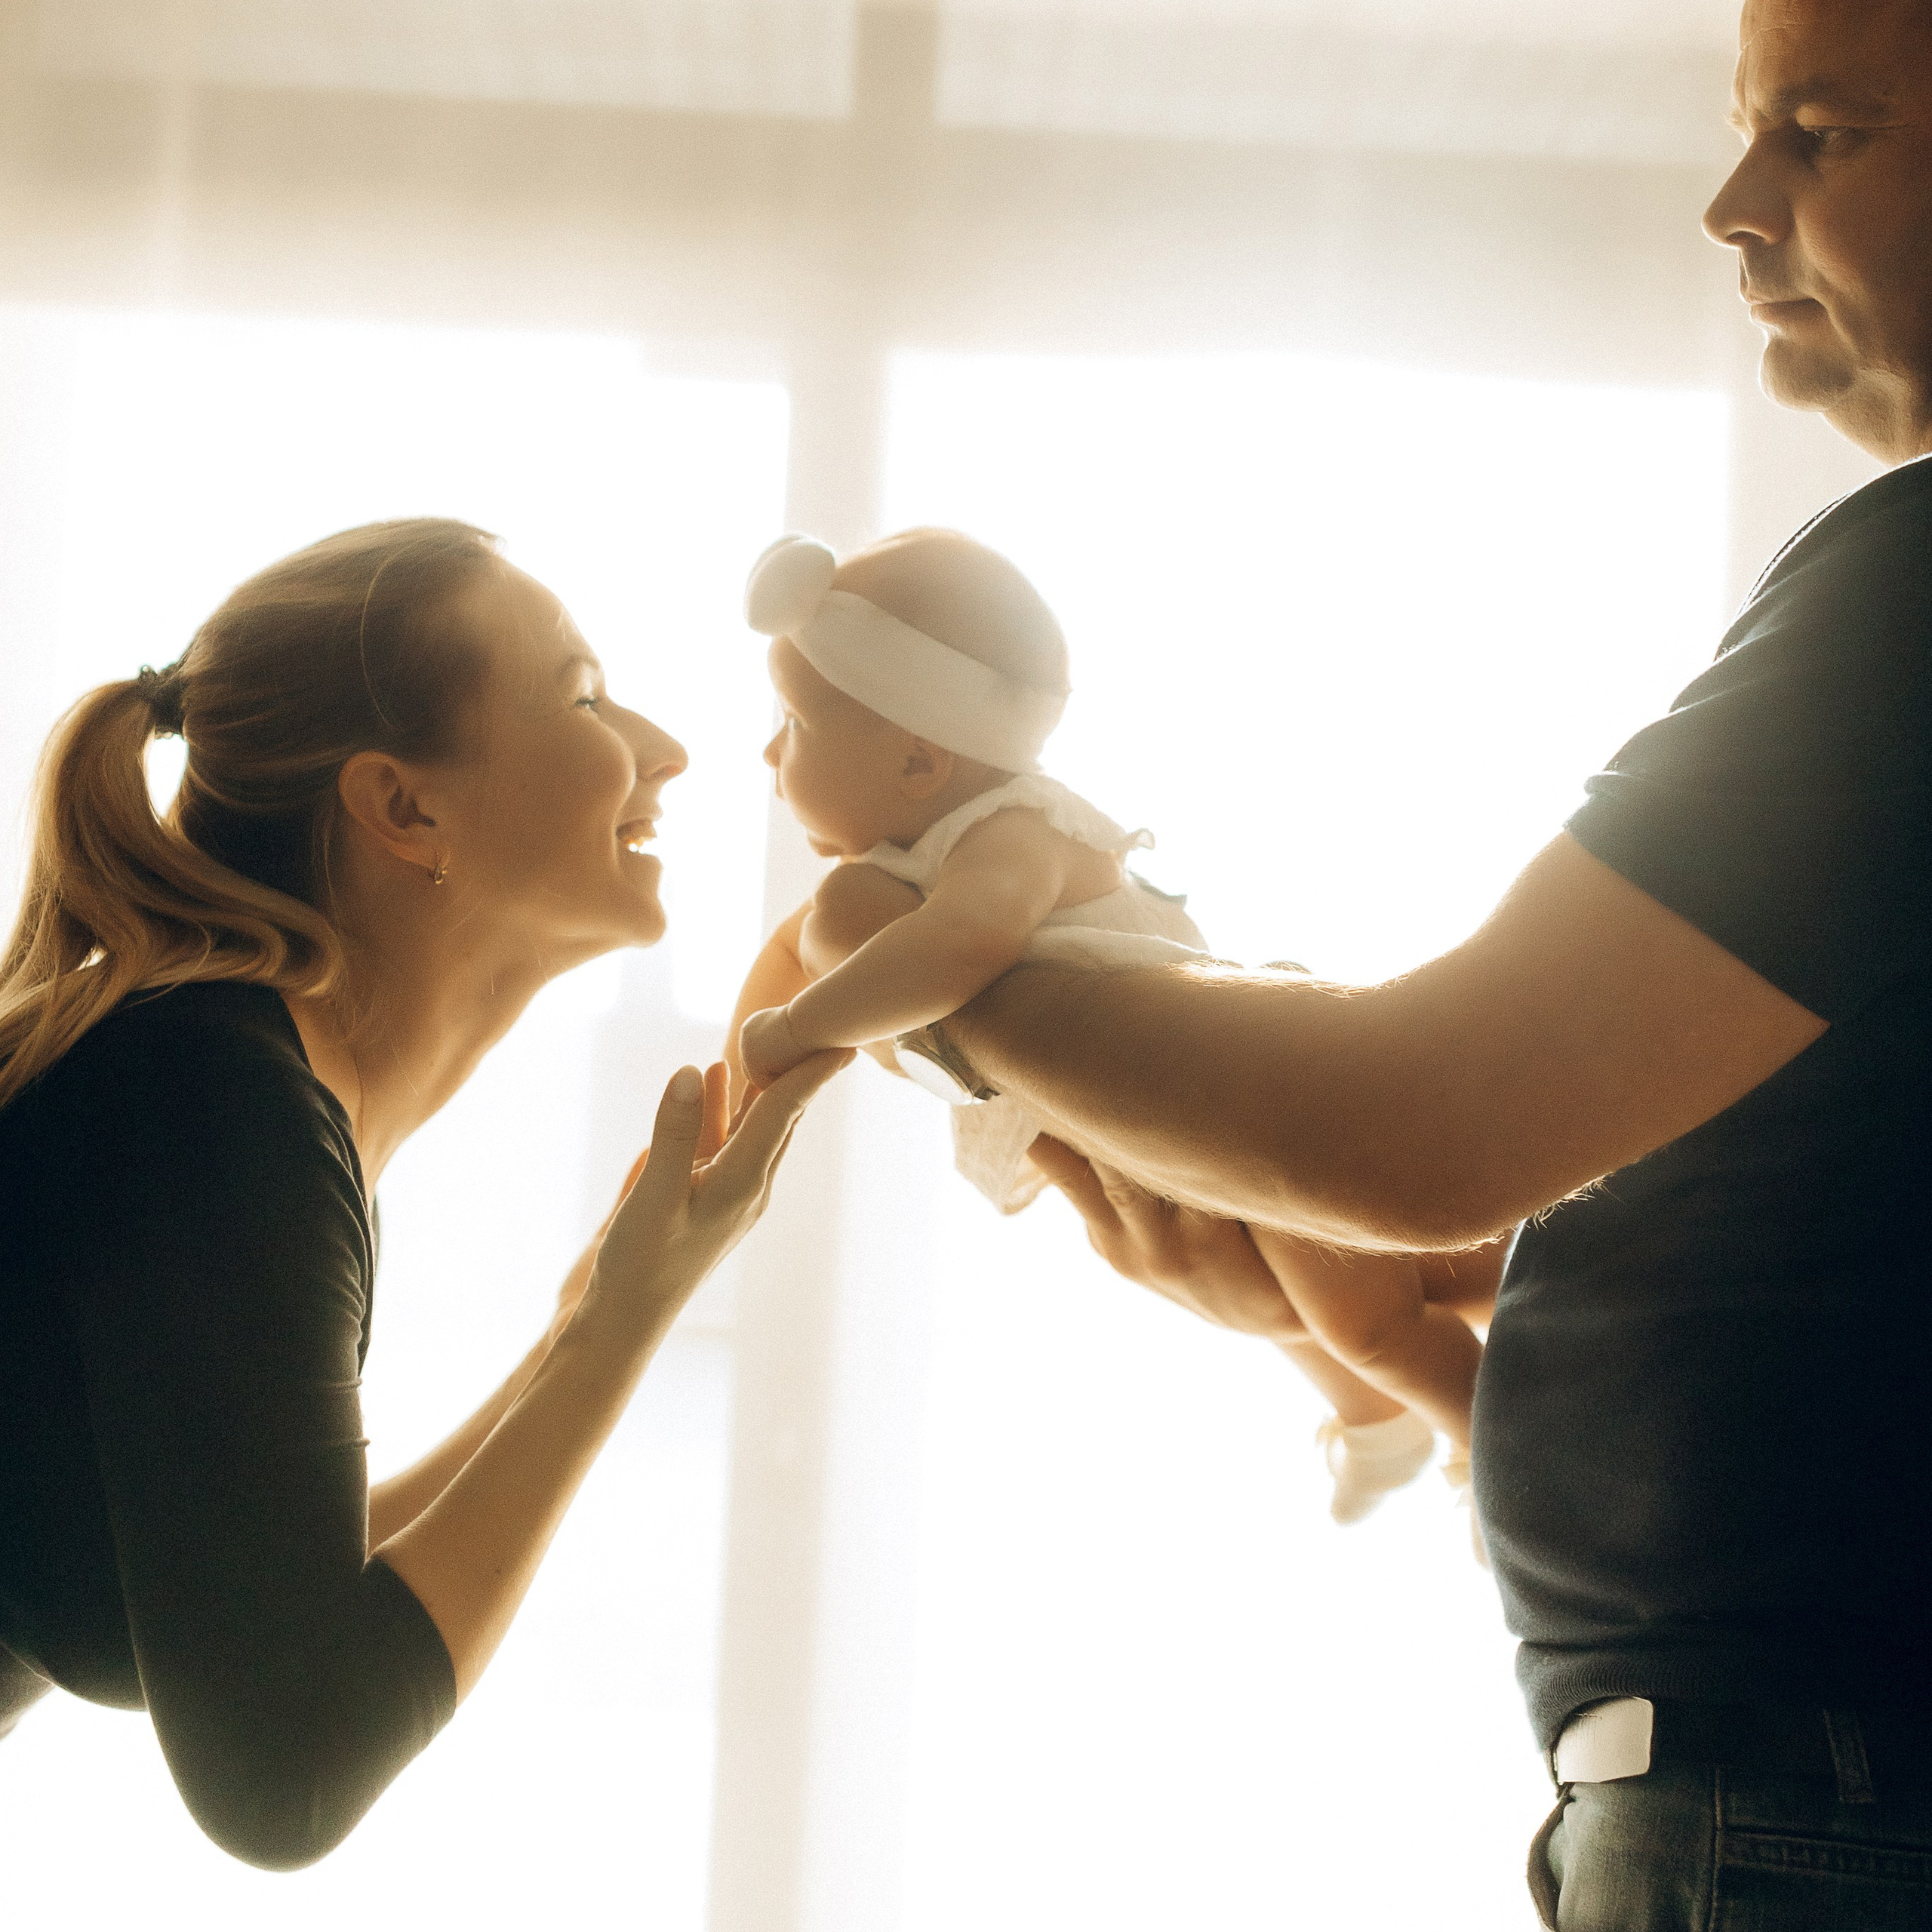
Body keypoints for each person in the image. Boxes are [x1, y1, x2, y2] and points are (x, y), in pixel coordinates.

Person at [804, 2, 1932, 1924]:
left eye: (1818, 132)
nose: (1729, 203)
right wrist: (1424, 1335)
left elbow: (1416, 1121)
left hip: (1802, 1804)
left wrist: (952, 977)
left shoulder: (1908, 599)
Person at [0, 518, 848, 1869]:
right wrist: (620, 1338)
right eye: (582, 694)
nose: (668, 750)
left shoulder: (223, 1084)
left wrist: (584, 1329)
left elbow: (277, 1600)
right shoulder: (211, 1109)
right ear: (404, 807)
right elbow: (287, 1770)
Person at [728, 526, 1484, 1527]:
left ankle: (1486, 1443)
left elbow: (966, 947)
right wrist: (743, 1093)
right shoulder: (904, 870)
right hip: (1156, 1120)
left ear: (919, 758)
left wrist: (796, 1030)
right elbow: (804, 956)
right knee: (1266, 1289)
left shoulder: (1012, 832)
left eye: (793, 723)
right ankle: (1379, 1425)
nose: (768, 753)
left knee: (1364, 1316)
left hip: (1243, 1092)